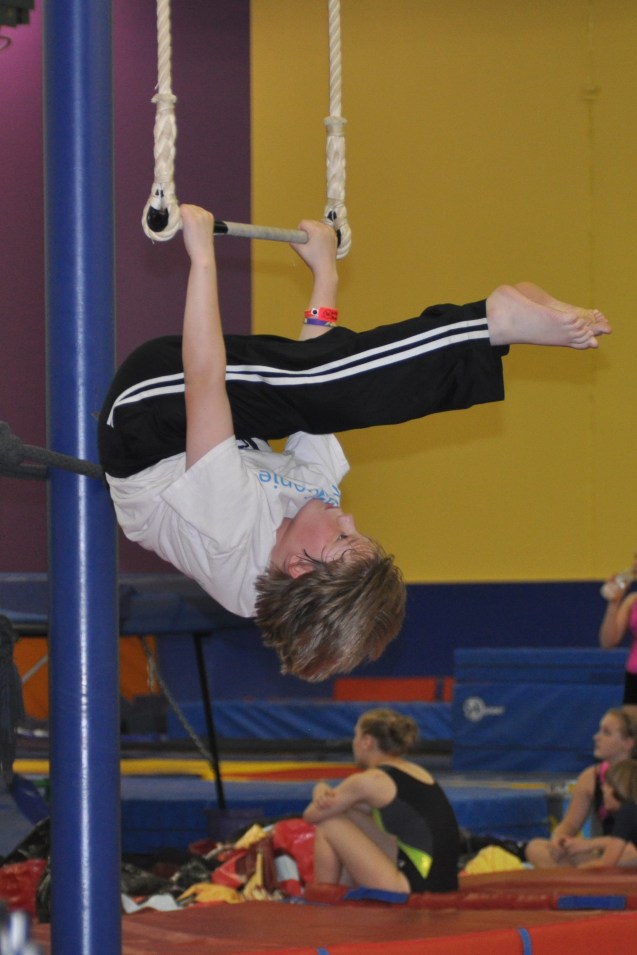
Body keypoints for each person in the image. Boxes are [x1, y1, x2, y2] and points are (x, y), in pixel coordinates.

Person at [98, 205, 611, 682]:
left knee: (314, 386)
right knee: (319, 390)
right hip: (221, 423)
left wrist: (202, 255)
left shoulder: (229, 534)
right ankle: (485, 327)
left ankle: (488, 325)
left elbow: (203, 379)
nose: (348, 518)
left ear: (299, 565)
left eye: (344, 539)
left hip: (146, 422)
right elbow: (317, 383)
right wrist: (325, 274)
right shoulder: (314, 515)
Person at [302, 708, 460, 894]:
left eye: (356, 736)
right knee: (348, 813)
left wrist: (319, 788)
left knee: (329, 823)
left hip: (413, 887)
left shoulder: (370, 780)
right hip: (442, 882)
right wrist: (325, 792)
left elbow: (311, 814)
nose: (353, 743)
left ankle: (323, 900)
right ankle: (343, 896)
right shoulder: (415, 770)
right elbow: (351, 807)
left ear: (366, 742)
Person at [525, 706, 637, 868]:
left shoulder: (633, 779)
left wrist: (588, 846)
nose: (596, 737)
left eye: (606, 733)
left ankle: (581, 874)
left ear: (627, 743)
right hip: (602, 853)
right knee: (535, 847)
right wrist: (559, 840)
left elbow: (628, 846)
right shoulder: (590, 777)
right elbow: (569, 824)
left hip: (625, 853)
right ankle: (584, 874)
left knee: (630, 854)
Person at [556, 759, 637, 868]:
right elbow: (615, 846)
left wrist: (579, 872)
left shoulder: (628, 811)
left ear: (617, 788)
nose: (603, 789)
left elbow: (606, 864)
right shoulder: (630, 810)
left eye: (607, 785)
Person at [599, 554, 637, 704]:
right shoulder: (632, 601)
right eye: (635, 557)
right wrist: (614, 603)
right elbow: (608, 642)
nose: (635, 563)